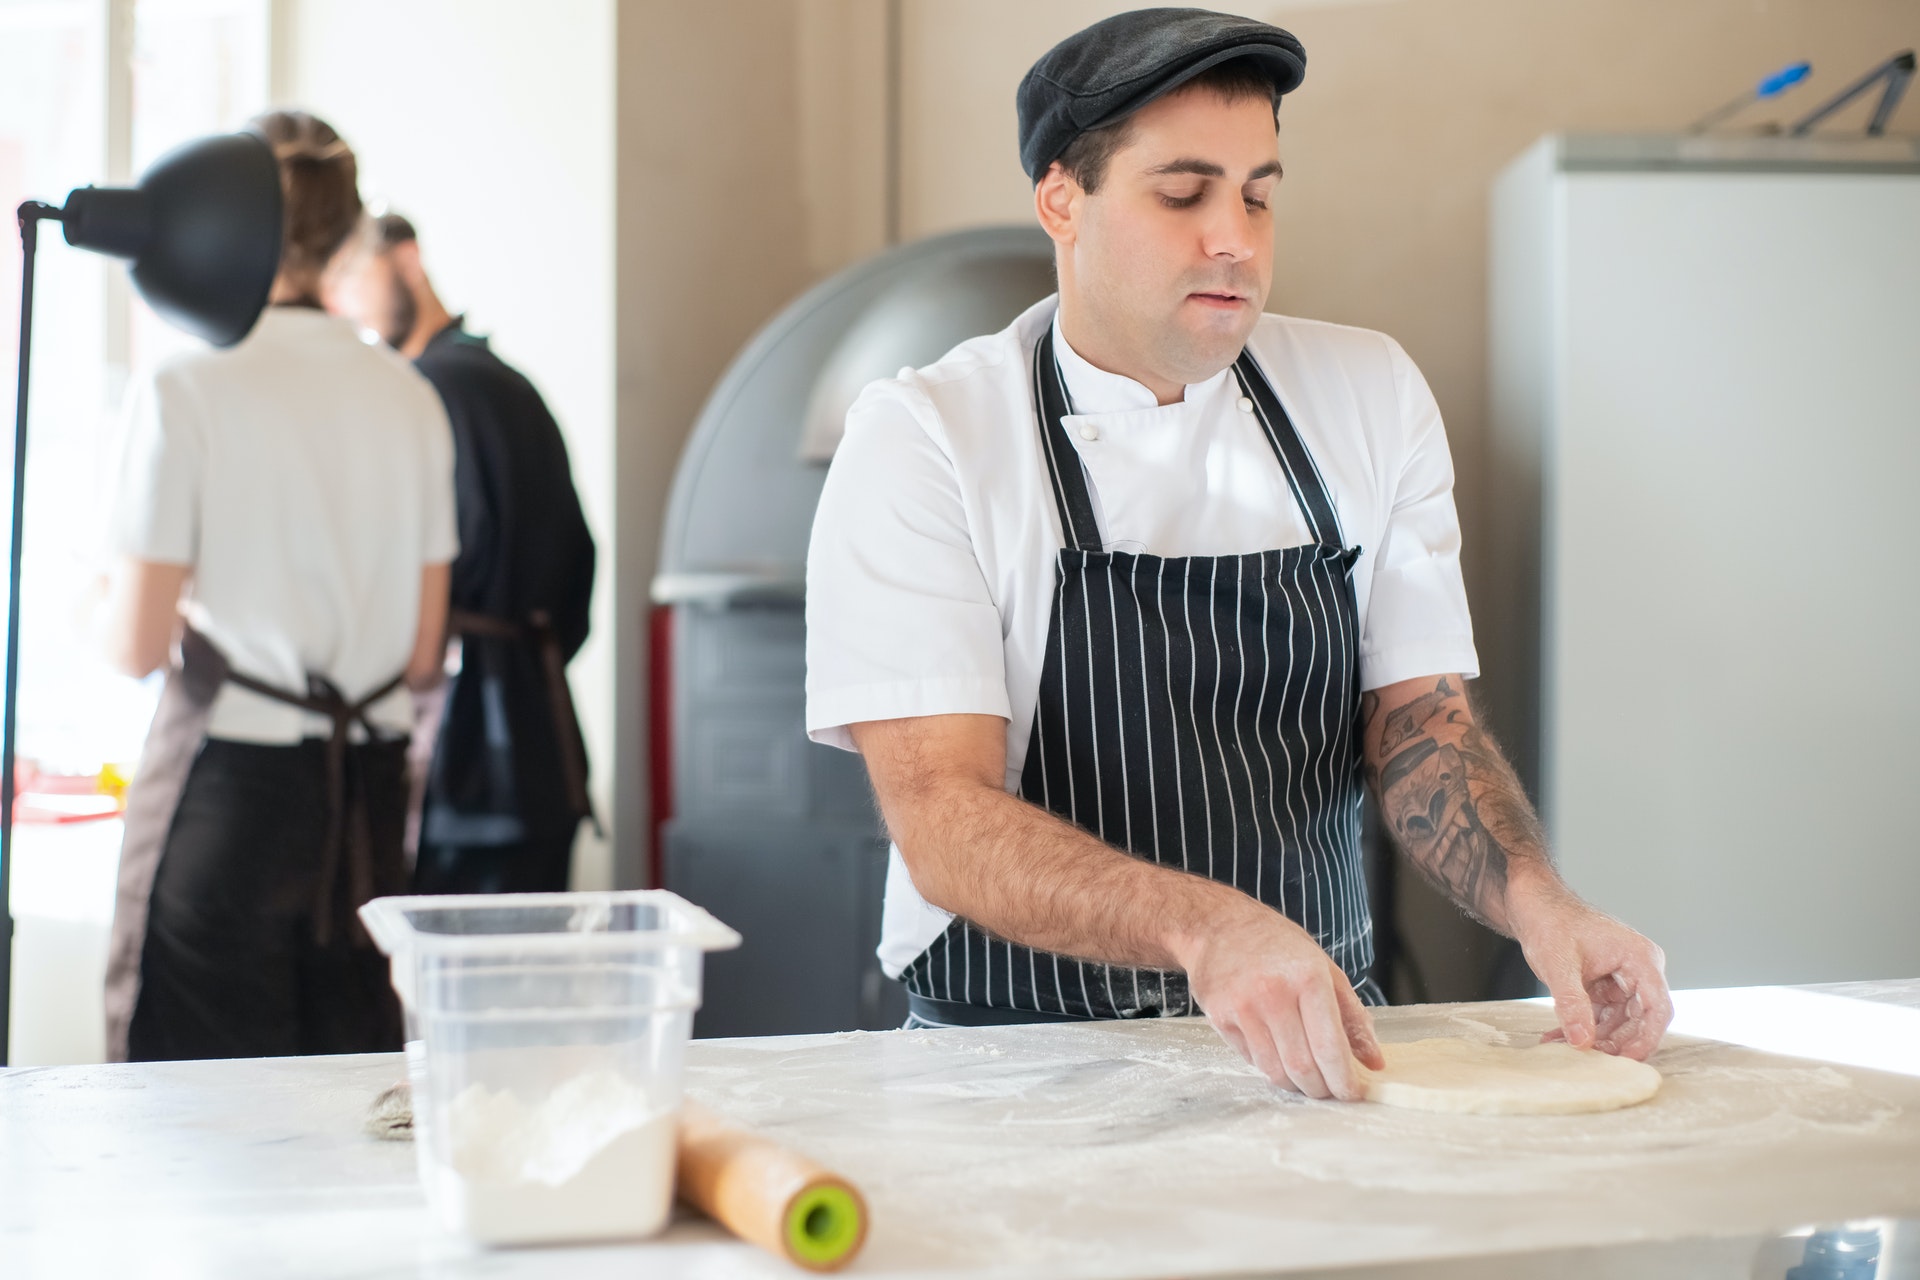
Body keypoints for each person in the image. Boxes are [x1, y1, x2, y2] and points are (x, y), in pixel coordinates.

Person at [804, 9, 1673, 1100]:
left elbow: (1422, 727)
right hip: (1015, 1065)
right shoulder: (929, 435)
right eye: (1184, 194)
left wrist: (1545, 904)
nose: (1236, 238)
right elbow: (942, 813)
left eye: (1259, 193)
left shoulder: (1368, 394)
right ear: (1061, 199)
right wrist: (1204, 926)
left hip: (1319, 1052)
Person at [99, 112, 457, 1062]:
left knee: (200, 1124)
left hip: (232, 792)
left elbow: (133, 648)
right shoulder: (412, 395)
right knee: (348, 1110)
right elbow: (424, 661)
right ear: (348, 236)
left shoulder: (188, 385)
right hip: (368, 812)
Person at [326, 213, 596, 894]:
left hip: (463, 756)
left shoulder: (426, 394)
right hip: (540, 743)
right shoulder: (509, 383)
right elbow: (579, 575)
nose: (346, 303)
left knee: (443, 986)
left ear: (407, 259)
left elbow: (413, 582)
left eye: (353, 274)